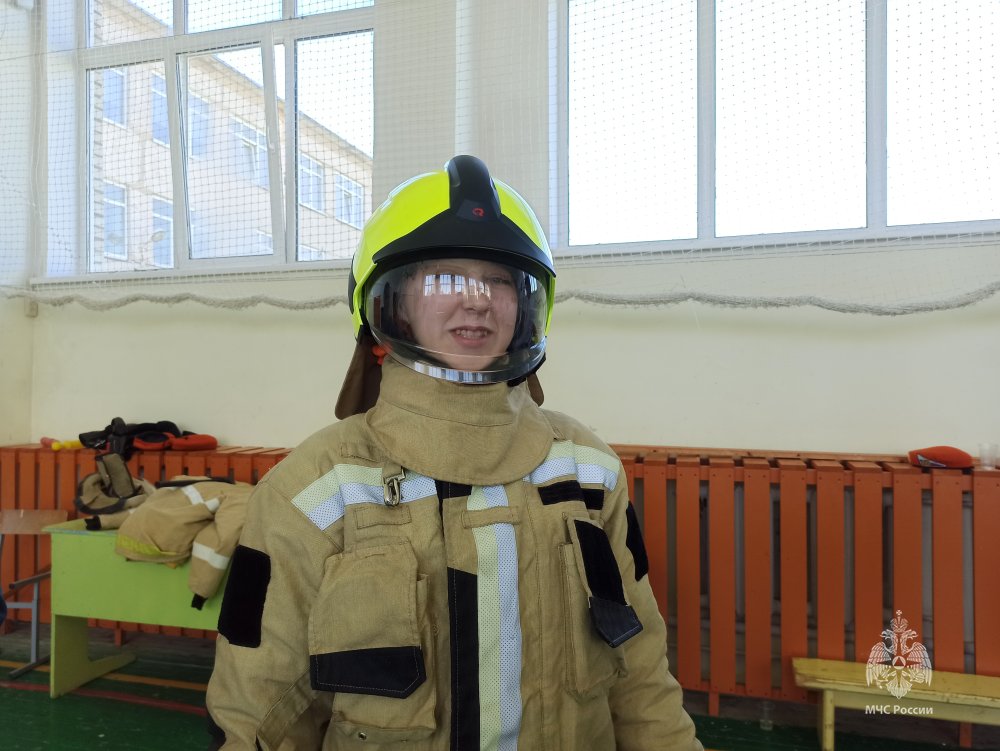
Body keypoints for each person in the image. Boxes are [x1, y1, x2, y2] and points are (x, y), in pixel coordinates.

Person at [206, 155, 702, 750]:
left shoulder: (589, 470)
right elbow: (260, 713)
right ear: (391, 304)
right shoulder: (312, 491)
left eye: (499, 280)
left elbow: (640, 670)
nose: (477, 300)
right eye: (444, 278)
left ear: (528, 306)